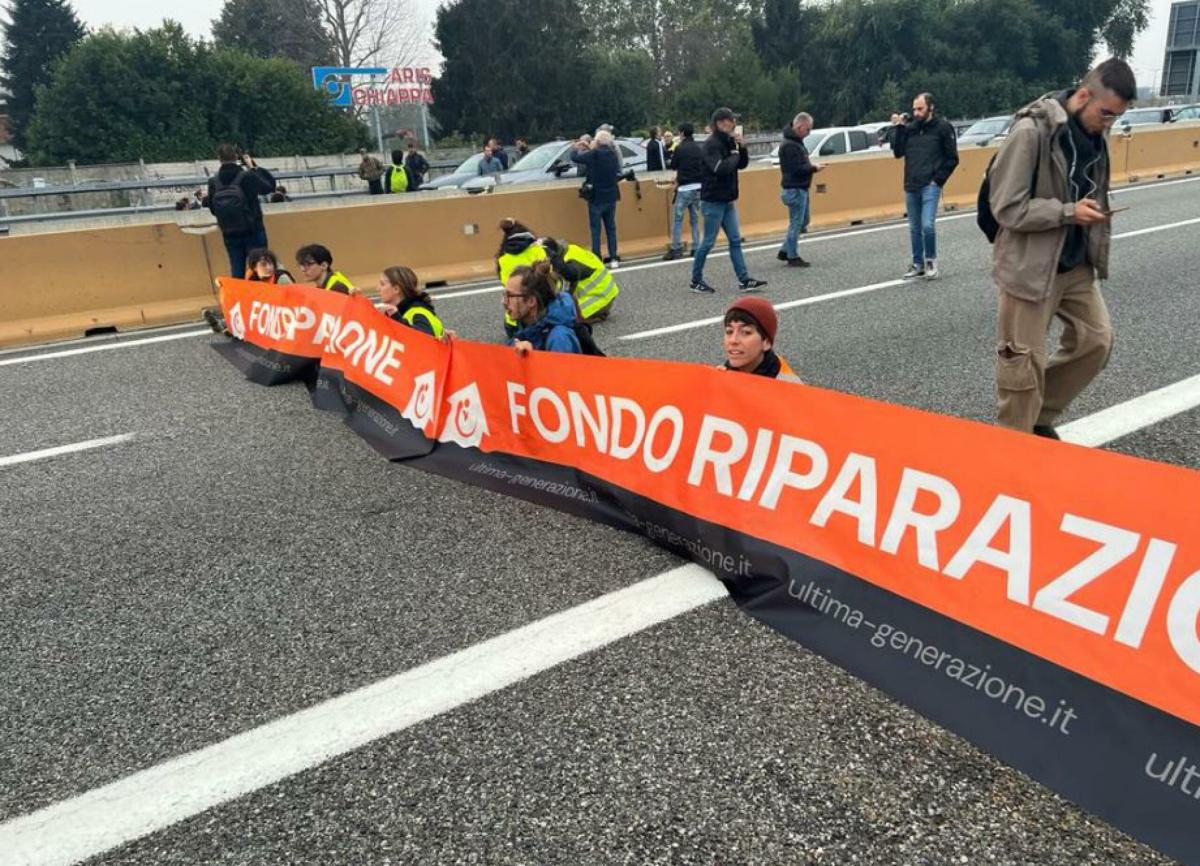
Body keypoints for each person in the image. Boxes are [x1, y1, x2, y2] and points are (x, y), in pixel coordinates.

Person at [989, 58, 1134, 438]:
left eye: (1115, 117)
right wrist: (1069, 212)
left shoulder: (1094, 135)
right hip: (1030, 268)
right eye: (1105, 114)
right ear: (1083, 95)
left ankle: (1038, 416)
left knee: (1097, 341)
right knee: (1022, 366)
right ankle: (1013, 449)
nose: (1109, 124)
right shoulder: (1031, 132)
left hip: (1075, 265)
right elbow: (1006, 207)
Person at [690, 107, 768, 295]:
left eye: (732, 120)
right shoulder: (711, 145)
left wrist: (742, 148)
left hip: (728, 200)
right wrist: (734, 154)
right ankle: (696, 280)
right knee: (708, 242)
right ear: (719, 123)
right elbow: (720, 168)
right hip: (713, 201)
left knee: (735, 239)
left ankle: (744, 279)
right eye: (728, 120)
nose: (732, 123)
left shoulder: (729, 141)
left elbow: (741, 164)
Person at [889, 92, 959, 279]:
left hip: (930, 184)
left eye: (920, 109)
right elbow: (898, 152)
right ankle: (917, 263)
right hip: (911, 183)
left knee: (927, 225)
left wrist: (937, 180)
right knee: (914, 227)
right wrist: (898, 128)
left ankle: (931, 262)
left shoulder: (943, 128)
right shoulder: (910, 128)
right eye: (914, 109)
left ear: (931, 108)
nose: (916, 113)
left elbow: (952, 158)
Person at [207, 143, 277, 278]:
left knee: (237, 268)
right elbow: (269, 187)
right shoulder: (246, 176)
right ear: (236, 156)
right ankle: (260, 297)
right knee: (259, 267)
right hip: (253, 230)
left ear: (218, 158)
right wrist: (253, 167)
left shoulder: (213, 182)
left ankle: (238, 296)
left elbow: (213, 209)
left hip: (229, 233)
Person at [504, 261, 582, 355]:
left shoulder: (559, 339)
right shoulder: (527, 325)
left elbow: (560, 370)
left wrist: (532, 357)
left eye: (510, 296)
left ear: (531, 301)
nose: (503, 301)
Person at [777, 111, 823, 267]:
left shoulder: (794, 142)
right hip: (795, 188)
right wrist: (813, 168)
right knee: (796, 222)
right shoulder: (790, 145)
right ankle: (792, 255)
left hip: (799, 187)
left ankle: (785, 249)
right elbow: (796, 169)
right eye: (807, 129)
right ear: (799, 126)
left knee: (803, 220)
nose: (808, 133)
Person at [571, 129, 622, 268]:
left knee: (596, 229)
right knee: (611, 228)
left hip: (596, 198)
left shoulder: (594, 154)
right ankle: (613, 258)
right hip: (611, 196)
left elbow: (576, 158)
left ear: (598, 142)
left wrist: (576, 148)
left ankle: (597, 258)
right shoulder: (613, 154)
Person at [720, 297, 801, 381]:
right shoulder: (724, 373)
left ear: (766, 342)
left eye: (746, 332)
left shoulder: (788, 387)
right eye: (729, 331)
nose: (733, 340)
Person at [541, 236, 619, 323]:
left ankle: (597, 316)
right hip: (602, 293)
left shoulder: (568, 264)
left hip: (600, 297)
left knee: (565, 318)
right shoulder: (569, 250)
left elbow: (567, 288)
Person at [496, 218, 549, 336]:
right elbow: (549, 276)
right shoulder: (537, 251)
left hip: (512, 319)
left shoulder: (502, 259)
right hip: (535, 316)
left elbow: (504, 282)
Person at [663, 122, 703, 261]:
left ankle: (676, 248)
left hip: (684, 188)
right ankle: (696, 247)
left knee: (678, 219)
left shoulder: (680, 148)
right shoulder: (699, 148)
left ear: (682, 133)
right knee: (695, 219)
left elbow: (673, 165)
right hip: (698, 187)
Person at [377, 266, 444, 337]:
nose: (377, 288)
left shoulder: (418, 313)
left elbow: (424, 340)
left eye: (382, 284)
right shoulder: (400, 312)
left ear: (396, 289)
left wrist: (396, 318)